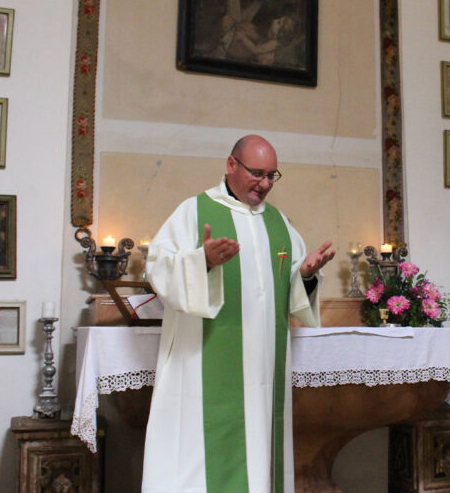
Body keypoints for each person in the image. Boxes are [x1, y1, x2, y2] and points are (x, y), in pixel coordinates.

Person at [142, 134, 336, 492]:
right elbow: (156, 267)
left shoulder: (279, 223)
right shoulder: (194, 210)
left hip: (262, 371)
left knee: (259, 454)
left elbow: (288, 290)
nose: (264, 184)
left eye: (271, 176)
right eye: (257, 173)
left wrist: (306, 275)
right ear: (231, 165)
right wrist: (203, 261)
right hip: (205, 363)